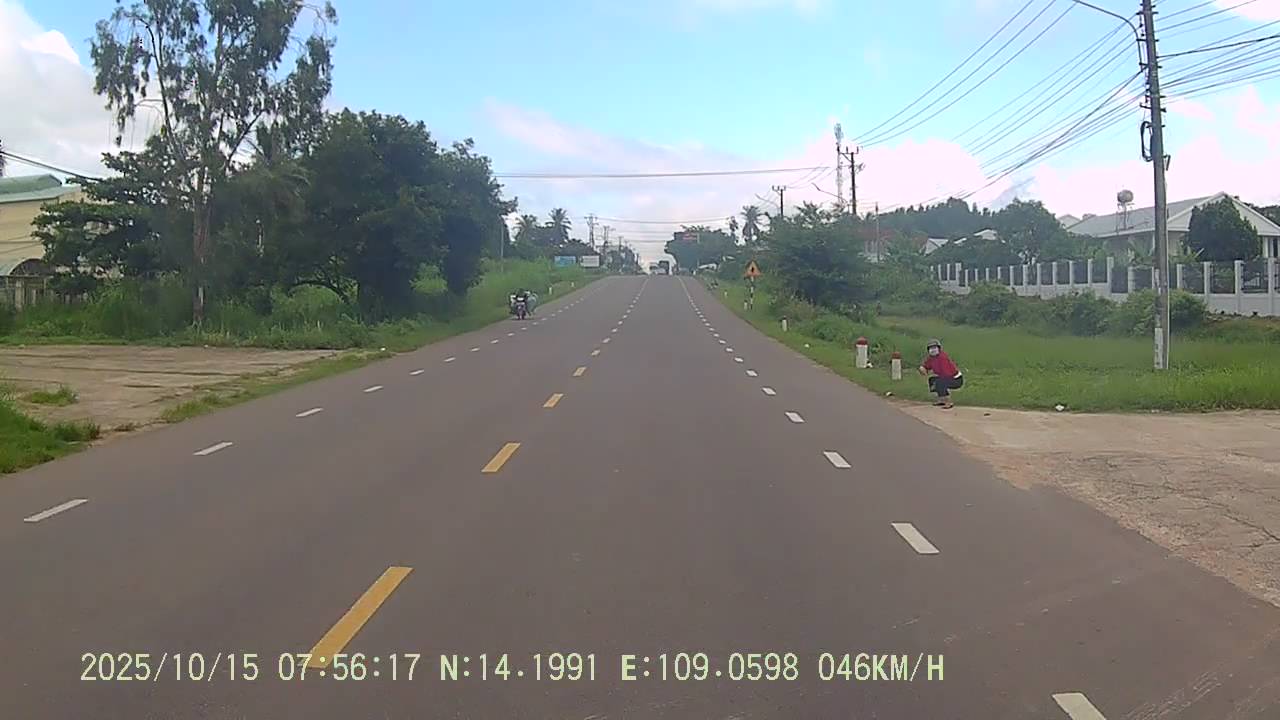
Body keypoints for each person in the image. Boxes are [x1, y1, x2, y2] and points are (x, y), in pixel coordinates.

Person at [918, 338, 963, 409]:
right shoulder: (931, 358)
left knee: (940, 383)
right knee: (932, 380)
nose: (933, 350)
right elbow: (926, 365)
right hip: (946, 377)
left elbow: (947, 374)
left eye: (935, 348)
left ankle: (948, 401)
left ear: (939, 348)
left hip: (956, 379)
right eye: (931, 348)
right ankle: (941, 399)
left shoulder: (942, 357)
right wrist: (922, 368)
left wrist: (939, 380)